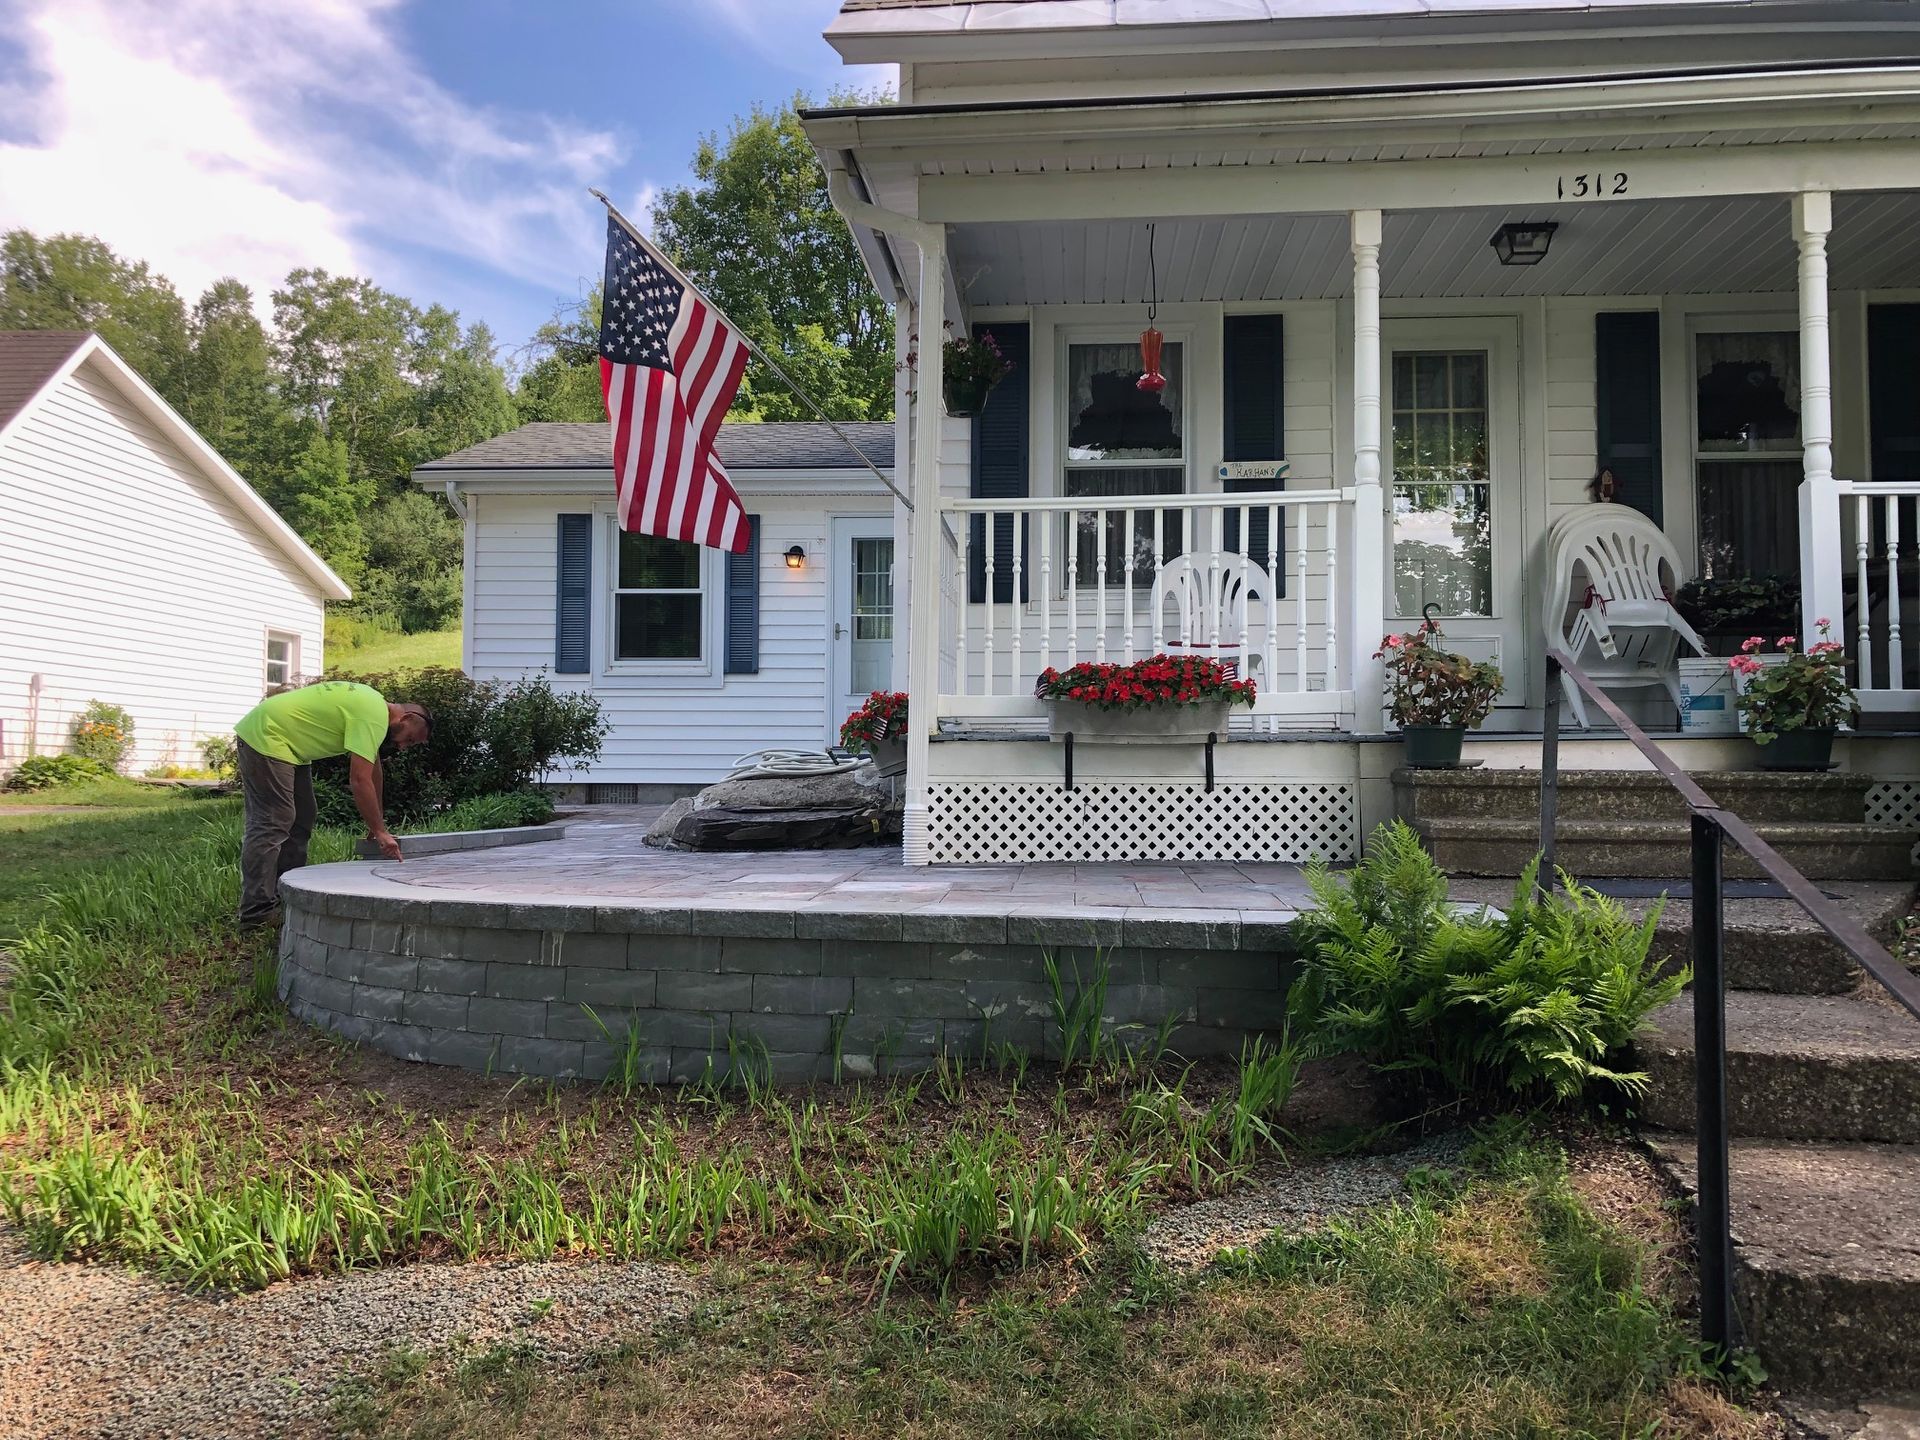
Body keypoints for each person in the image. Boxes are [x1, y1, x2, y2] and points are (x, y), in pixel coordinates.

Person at [231, 681, 432, 928]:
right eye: (409, 739)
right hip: (268, 735)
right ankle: (256, 912)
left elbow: (373, 771)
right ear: (408, 717)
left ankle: (283, 896)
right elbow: (359, 780)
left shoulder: (373, 707)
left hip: (287, 744)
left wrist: (377, 822)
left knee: (302, 816)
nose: (402, 746)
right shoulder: (373, 715)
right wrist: (380, 832)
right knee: (273, 820)